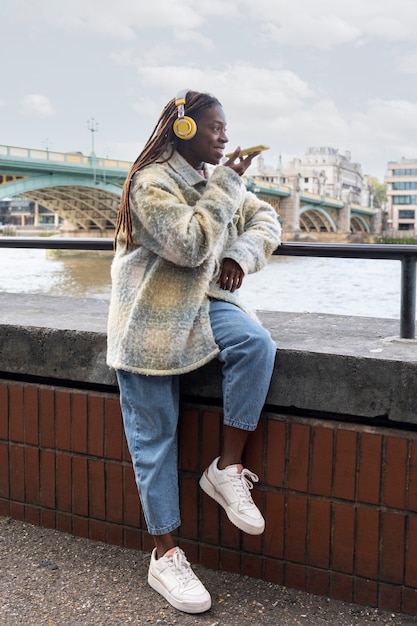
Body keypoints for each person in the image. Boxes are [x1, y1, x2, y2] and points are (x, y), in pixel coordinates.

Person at [107, 89, 281, 614]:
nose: (225, 137)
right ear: (184, 130)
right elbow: (187, 244)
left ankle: (226, 469)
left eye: (226, 128)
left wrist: (241, 254)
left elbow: (267, 220)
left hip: (203, 308)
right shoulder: (151, 183)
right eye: (215, 128)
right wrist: (228, 182)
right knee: (155, 441)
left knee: (255, 343)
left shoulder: (210, 179)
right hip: (150, 323)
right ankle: (166, 555)